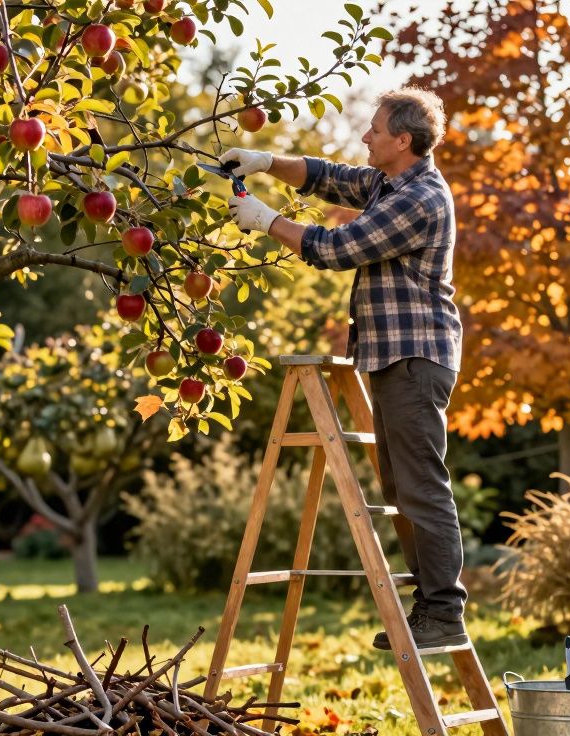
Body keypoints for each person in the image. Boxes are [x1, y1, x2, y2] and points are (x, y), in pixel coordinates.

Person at [222, 87, 468, 649]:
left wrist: (265, 221)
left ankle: (443, 611)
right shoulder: (388, 182)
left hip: (414, 358)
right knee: (401, 487)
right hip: (391, 358)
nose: (365, 137)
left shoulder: (420, 198)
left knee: (421, 488)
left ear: (403, 140)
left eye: (375, 130)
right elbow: (327, 176)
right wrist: (264, 162)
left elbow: (338, 248)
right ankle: (429, 607)